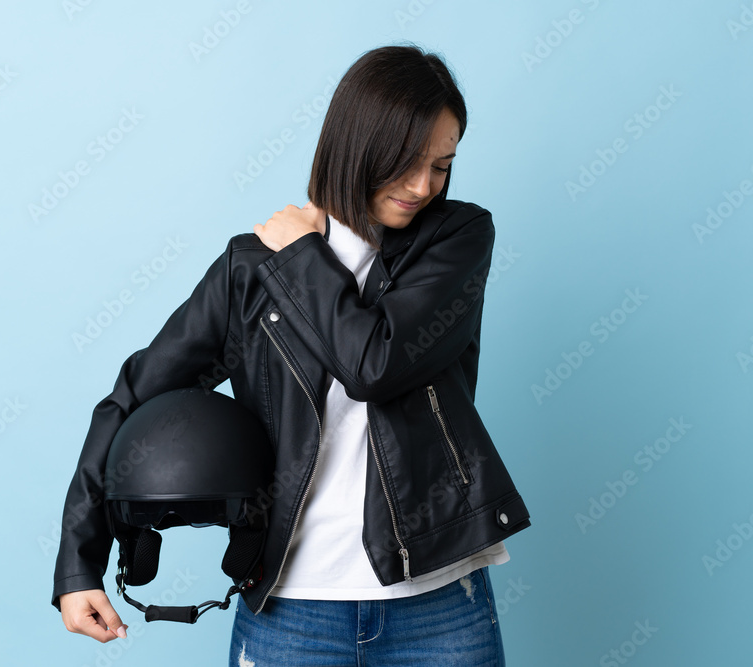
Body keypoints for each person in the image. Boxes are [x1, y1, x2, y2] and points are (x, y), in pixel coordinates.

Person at [53, 43, 530, 665]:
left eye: (441, 166)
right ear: (355, 147)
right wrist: (78, 565)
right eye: (406, 163)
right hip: (291, 608)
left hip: (438, 601)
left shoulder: (455, 239)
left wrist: (302, 256)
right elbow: (132, 398)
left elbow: (374, 366)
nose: (422, 186)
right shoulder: (249, 270)